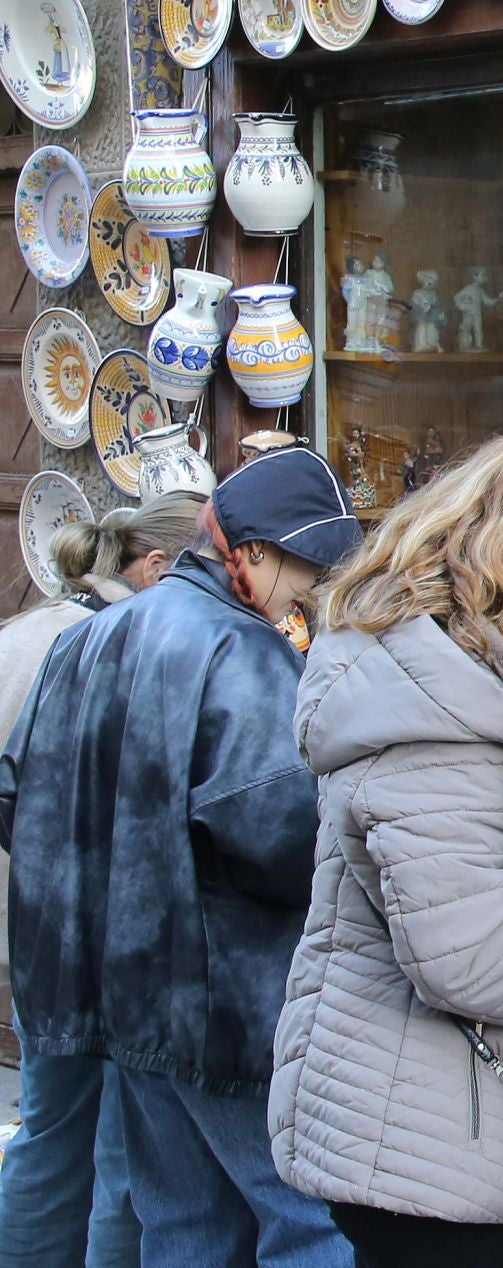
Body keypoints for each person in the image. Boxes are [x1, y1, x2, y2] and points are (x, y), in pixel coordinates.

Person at [272, 428, 503, 1267]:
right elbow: (468, 957)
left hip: (422, 1111)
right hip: (414, 1132)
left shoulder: (445, 673)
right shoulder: (436, 715)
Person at [0, 449, 361, 1268]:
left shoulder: (92, 637)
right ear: (256, 553)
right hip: (222, 1008)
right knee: (308, 1225)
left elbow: (15, 793)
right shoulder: (242, 653)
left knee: (182, 1226)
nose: (310, 592)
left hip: (123, 996)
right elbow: (281, 836)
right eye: (307, 569)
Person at [0, 491, 206, 1268]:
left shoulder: (26, 633)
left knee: (50, 1138)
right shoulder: (124, 649)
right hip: (99, 942)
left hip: (33, 937)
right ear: (153, 567)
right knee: (124, 1150)